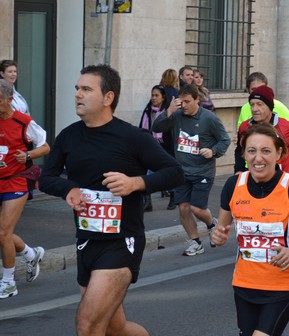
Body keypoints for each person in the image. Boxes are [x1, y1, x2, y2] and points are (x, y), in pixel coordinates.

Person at [38, 64, 184, 335]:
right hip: (86, 241)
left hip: (122, 242)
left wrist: (135, 183)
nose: (78, 95)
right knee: (115, 329)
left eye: (86, 89)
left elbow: (175, 173)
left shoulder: (132, 137)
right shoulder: (68, 136)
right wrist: (69, 189)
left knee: (88, 325)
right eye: (77, 89)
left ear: (108, 98)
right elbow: (46, 178)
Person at [210, 123, 289, 336]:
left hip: (282, 287)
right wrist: (217, 236)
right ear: (244, 153)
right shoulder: (233, 185)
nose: (258, 158)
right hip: (243, 285)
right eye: (252, 151)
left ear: (280, 153)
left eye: (266, 151)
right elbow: (220, 232)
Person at [153, 83, 231, 256]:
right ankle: (195, 242)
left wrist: (213, 151)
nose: (185, 105)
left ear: (197, 100)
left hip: (203, 171)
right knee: (183, 208)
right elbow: (156, 128)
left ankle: (211, 224)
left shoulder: (209, 118)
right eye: (182, 102)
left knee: (197, 208)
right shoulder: (177, 115)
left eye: (188, 101)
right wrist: (169, 110)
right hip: (182, 171)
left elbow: (225, 140)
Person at [0, 79, 49, 299]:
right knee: (2, 233)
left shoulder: (24, 122)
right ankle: (30, 254)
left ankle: (8, 282)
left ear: (10, 100)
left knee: (3, 233)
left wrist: (28, 155)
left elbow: (45, 146)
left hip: (16, 180)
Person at [235, 85, 289, 181]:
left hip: (284, 182)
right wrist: (239, 170)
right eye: (252, 104)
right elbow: (240, 149)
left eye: (259, 104)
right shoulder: (244, 127)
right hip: (255, 180)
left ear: (270, 106)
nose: (254, 109)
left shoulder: (287, 126)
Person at [138, 85, 173, 211]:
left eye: (157, 95)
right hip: (150, 146)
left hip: (165, 147)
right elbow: (142, 127)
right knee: (146, 174)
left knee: (168, 173)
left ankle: (173, 198)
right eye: (152, 95)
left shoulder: (168, 112)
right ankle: (147, 202)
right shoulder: (148, 110)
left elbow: (170, 132)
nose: (153, 98)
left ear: (163, 97)